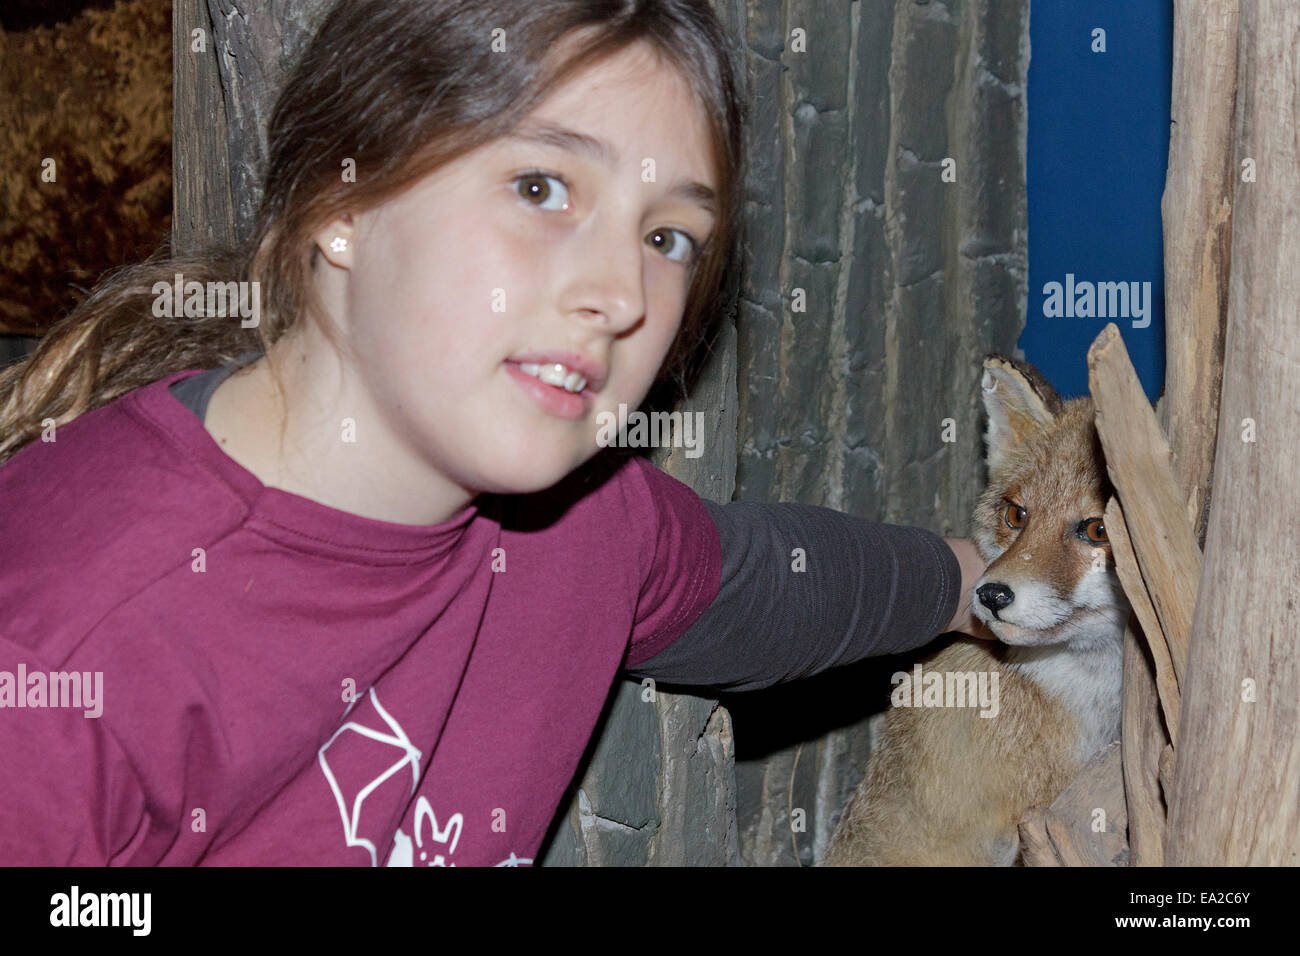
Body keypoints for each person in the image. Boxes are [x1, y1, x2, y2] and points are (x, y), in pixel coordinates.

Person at [0, 0, 989, 866]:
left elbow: (772, 585)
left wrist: (986, 585)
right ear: (344, 202)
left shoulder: (589, 524)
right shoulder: (58, 659)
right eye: (541, 188)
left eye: (666, 237)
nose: (617, 295)